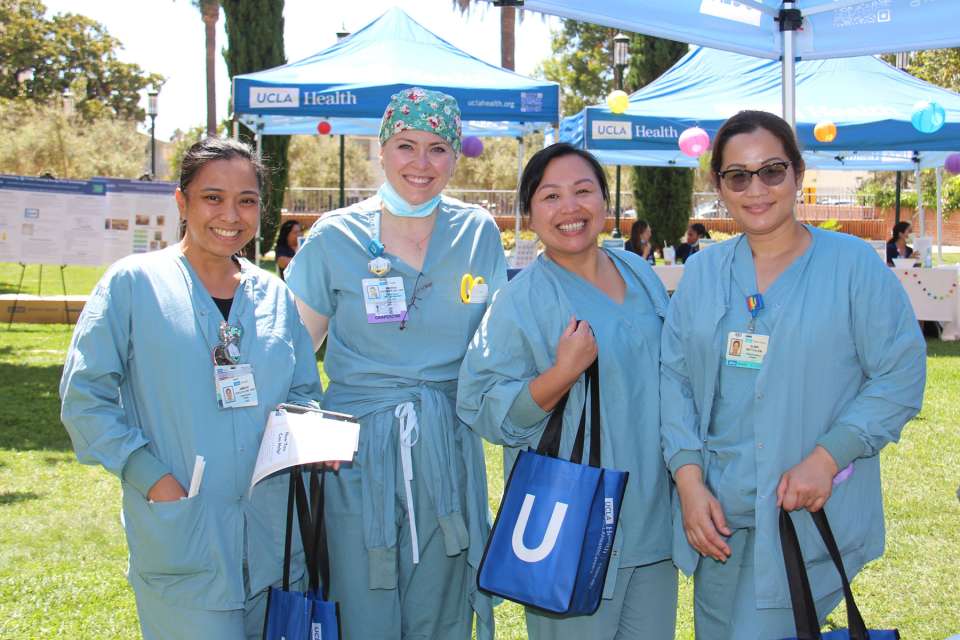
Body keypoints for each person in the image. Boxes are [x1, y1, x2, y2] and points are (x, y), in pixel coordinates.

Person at [660, 110, 926, 639]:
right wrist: (689, 481)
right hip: (716, 518)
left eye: (772, 171)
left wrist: (828, 457)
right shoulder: (705, 273)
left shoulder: (852, 267)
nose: (755, 189)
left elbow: (900, 373)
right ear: (719, 185)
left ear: (798, 174)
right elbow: (676, 380)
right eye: (737, 175)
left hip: (802, 514)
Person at [59, 137, 325, 640]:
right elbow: (85, 399)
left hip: (273, 545)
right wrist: (152, 477)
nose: (231, 214)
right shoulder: (133, 285)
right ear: (181, 202)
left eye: (247, 200)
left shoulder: (273, 295)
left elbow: (303, 391)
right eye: (212, 197)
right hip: (186, 538)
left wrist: (310, 434)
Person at [284, 87, 508, 640]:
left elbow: (500, 346)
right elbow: (288, 355)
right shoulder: (335, 237)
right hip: (356, 456)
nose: (421, 163)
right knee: (362, 602)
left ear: (456, 156)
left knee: (440, 606)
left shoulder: (477, 232)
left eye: (437, 148)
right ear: (381, 150)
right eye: (406, 145)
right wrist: (311, 433)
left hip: (447, 452)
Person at [458, 143, 677, 640]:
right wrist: (563, 372)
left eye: (583, 191)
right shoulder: (521, 300)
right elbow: (482, 406)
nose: (570, 209)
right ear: (530, 214)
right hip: (572, 526)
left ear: (605, 200)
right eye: (551, 196)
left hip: (652, 522)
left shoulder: (640, 275)